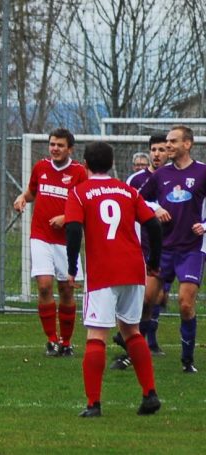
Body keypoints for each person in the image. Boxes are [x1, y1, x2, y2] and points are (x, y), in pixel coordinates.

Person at [64, 141, 162, 417]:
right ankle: (150, 394)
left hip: (103, 271)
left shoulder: (80, 192)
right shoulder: (127, 190)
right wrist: (153, 263)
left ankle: (93, 404)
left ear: (84, 165)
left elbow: (73, 231)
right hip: (133, 269)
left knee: (96, 335)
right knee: (132, 331)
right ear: (111, 164)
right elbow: (153, 225)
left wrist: (72, 268)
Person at [13, 128, 87, 357]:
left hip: (67, 241)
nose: (55, 149)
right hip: (41, 236)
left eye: (60, 145)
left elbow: (86, 205)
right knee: (44, 285)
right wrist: (22, 197)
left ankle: (66, 342)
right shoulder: (41, 167)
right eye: (52, 144)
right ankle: (52, 340)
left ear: (70, 149)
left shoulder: (79, 173)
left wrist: (67, 218)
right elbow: (32, 192)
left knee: (66, 290)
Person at [138, 125, 204, 373]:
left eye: (173, 141)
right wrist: (155, 208)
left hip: (191, 250)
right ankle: (134, 351)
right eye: (167, 141)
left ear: (187, 144)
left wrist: (205, 225)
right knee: (146, 300)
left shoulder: (202, 172)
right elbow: (139, 198)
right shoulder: (161, 175)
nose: (168, 146)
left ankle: (187, 360)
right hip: (163, 249)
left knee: (185, 304)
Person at [112, 134, 170, 369]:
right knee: (146, 298)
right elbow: (127, 204)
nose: (157, 153)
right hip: (143, 245)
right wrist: (154, 208)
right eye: (153, 149)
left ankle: (142, 343)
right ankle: (137, 345)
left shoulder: (174, 177)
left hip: (174, 244)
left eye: (161, 149)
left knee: (158, 297)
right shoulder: (136, 180)